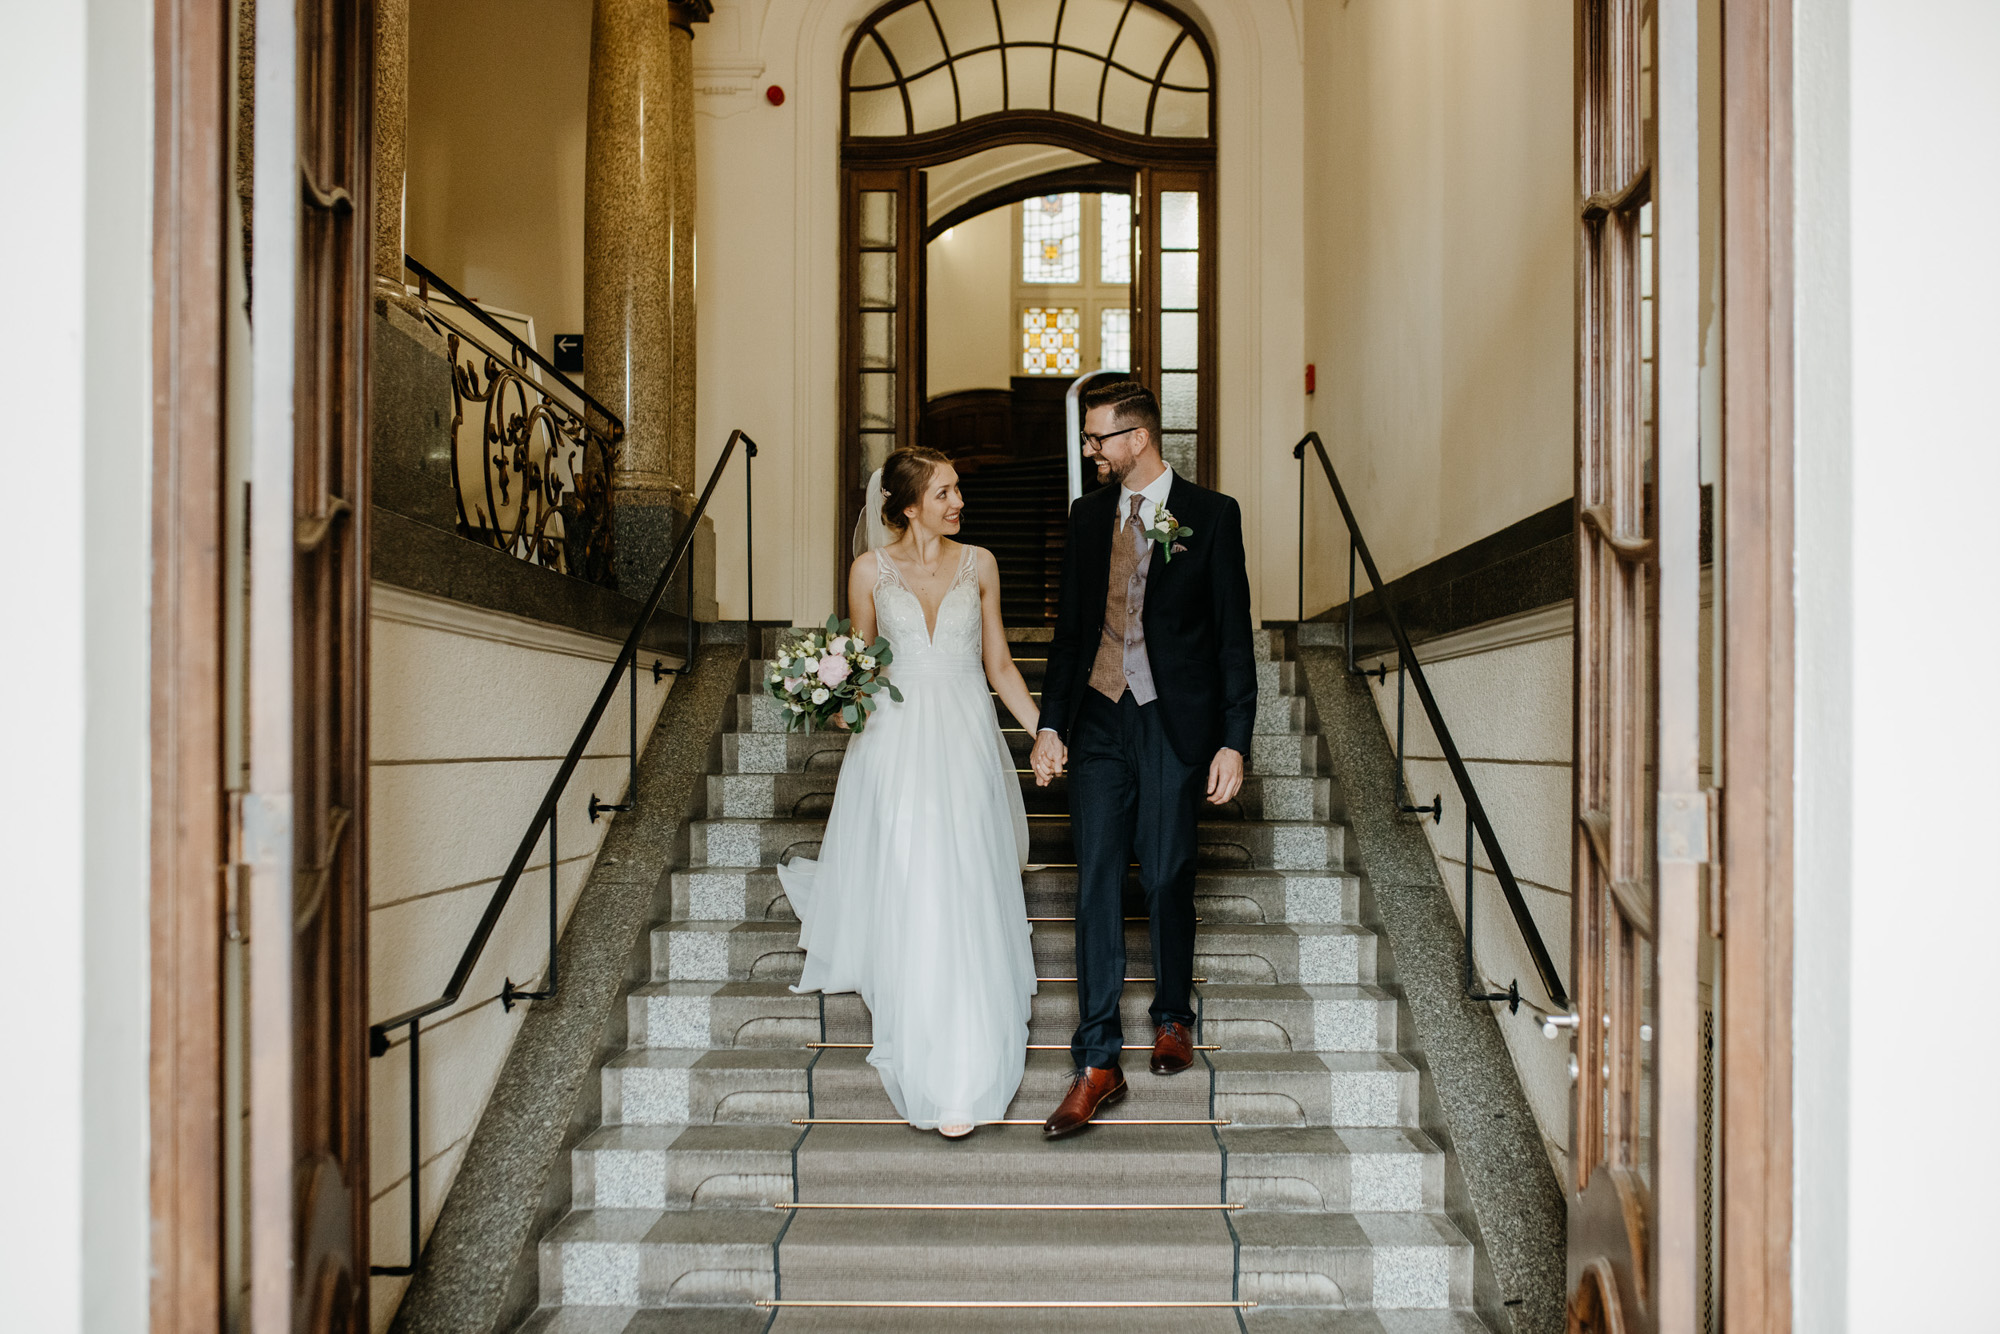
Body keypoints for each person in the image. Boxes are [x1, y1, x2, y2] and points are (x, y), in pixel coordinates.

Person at [778, 447, 1042, 1139]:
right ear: (906, 505)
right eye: (946, 491)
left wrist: (1045, 732)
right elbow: (861, 664)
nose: (959, 501)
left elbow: (1001, 664)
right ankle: (933, 1047)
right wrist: (833, 697)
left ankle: (966, 1045)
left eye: (957, 489)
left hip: (963, 738)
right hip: (893, 743)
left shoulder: (980, 564)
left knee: (960, 875)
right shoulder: (869, 571)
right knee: (916, 876)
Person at [1030, 380, 1257, 1139]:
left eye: (1099, 439)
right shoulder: (1087, 516)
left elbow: (1231, 638)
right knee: (1095, 881)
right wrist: (1050, 723)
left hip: (1171, 720)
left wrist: (1235, 738)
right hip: (1098, 717)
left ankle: (1171, 1016)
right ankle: (1096, 1060)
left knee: (1163, 872)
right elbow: (1070, 631)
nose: (1090, 452)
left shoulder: (1211, 516)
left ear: (1139, 438)